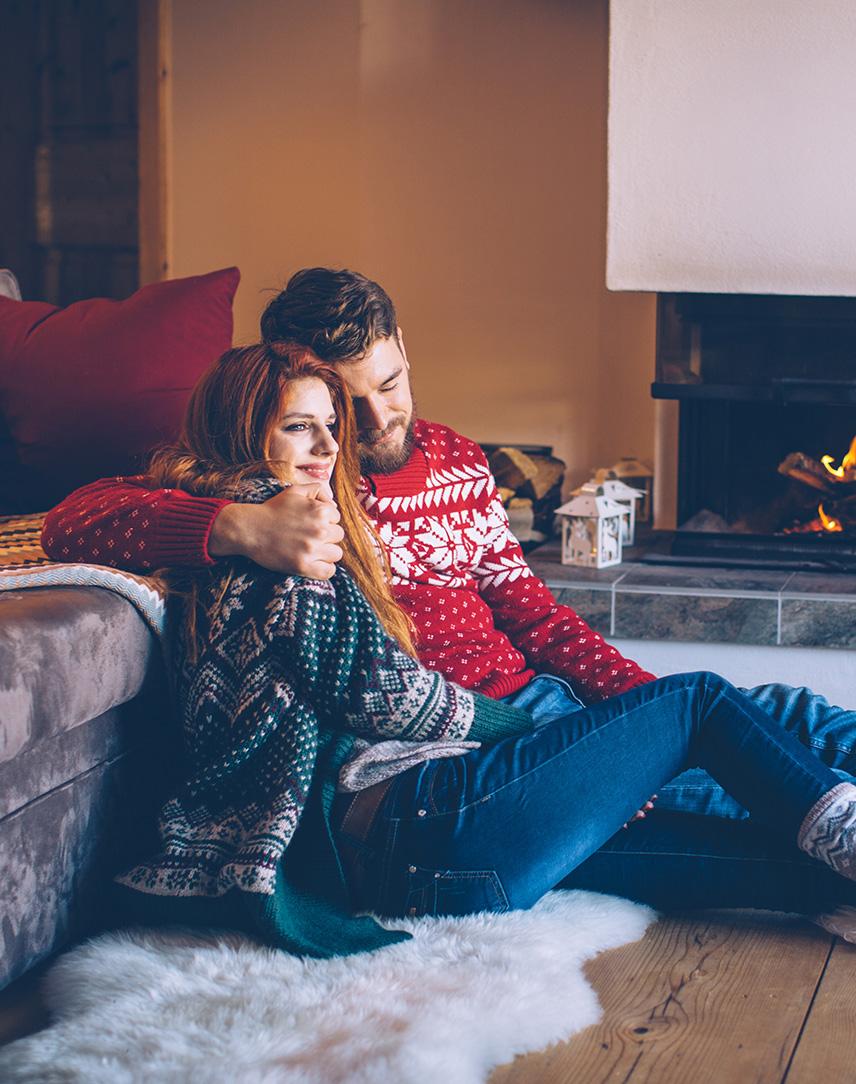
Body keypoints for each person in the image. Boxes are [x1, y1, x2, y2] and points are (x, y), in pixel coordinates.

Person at [42, 267, 856, 835]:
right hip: (473, 739)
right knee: (743, 789)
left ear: (405, 346)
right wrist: (234, 527)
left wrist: (647, 705)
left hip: (543, 693)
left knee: (790, 717)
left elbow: (533, 615)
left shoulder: (458, 457)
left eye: (388, 383)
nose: (378, 418)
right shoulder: (291, 478)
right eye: (347, 400)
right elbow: (75, 519)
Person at [111, 339, 856, 956]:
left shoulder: (264, 526)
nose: (332, 445)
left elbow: (528, 619)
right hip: (424, 818)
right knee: (698, 704)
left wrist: (580, 754)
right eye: (300, 427)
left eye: (329, 424)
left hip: (445, 868)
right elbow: (386, 695)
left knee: (774, 863)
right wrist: (547, 739)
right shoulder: (273, 541)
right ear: (245, 433)